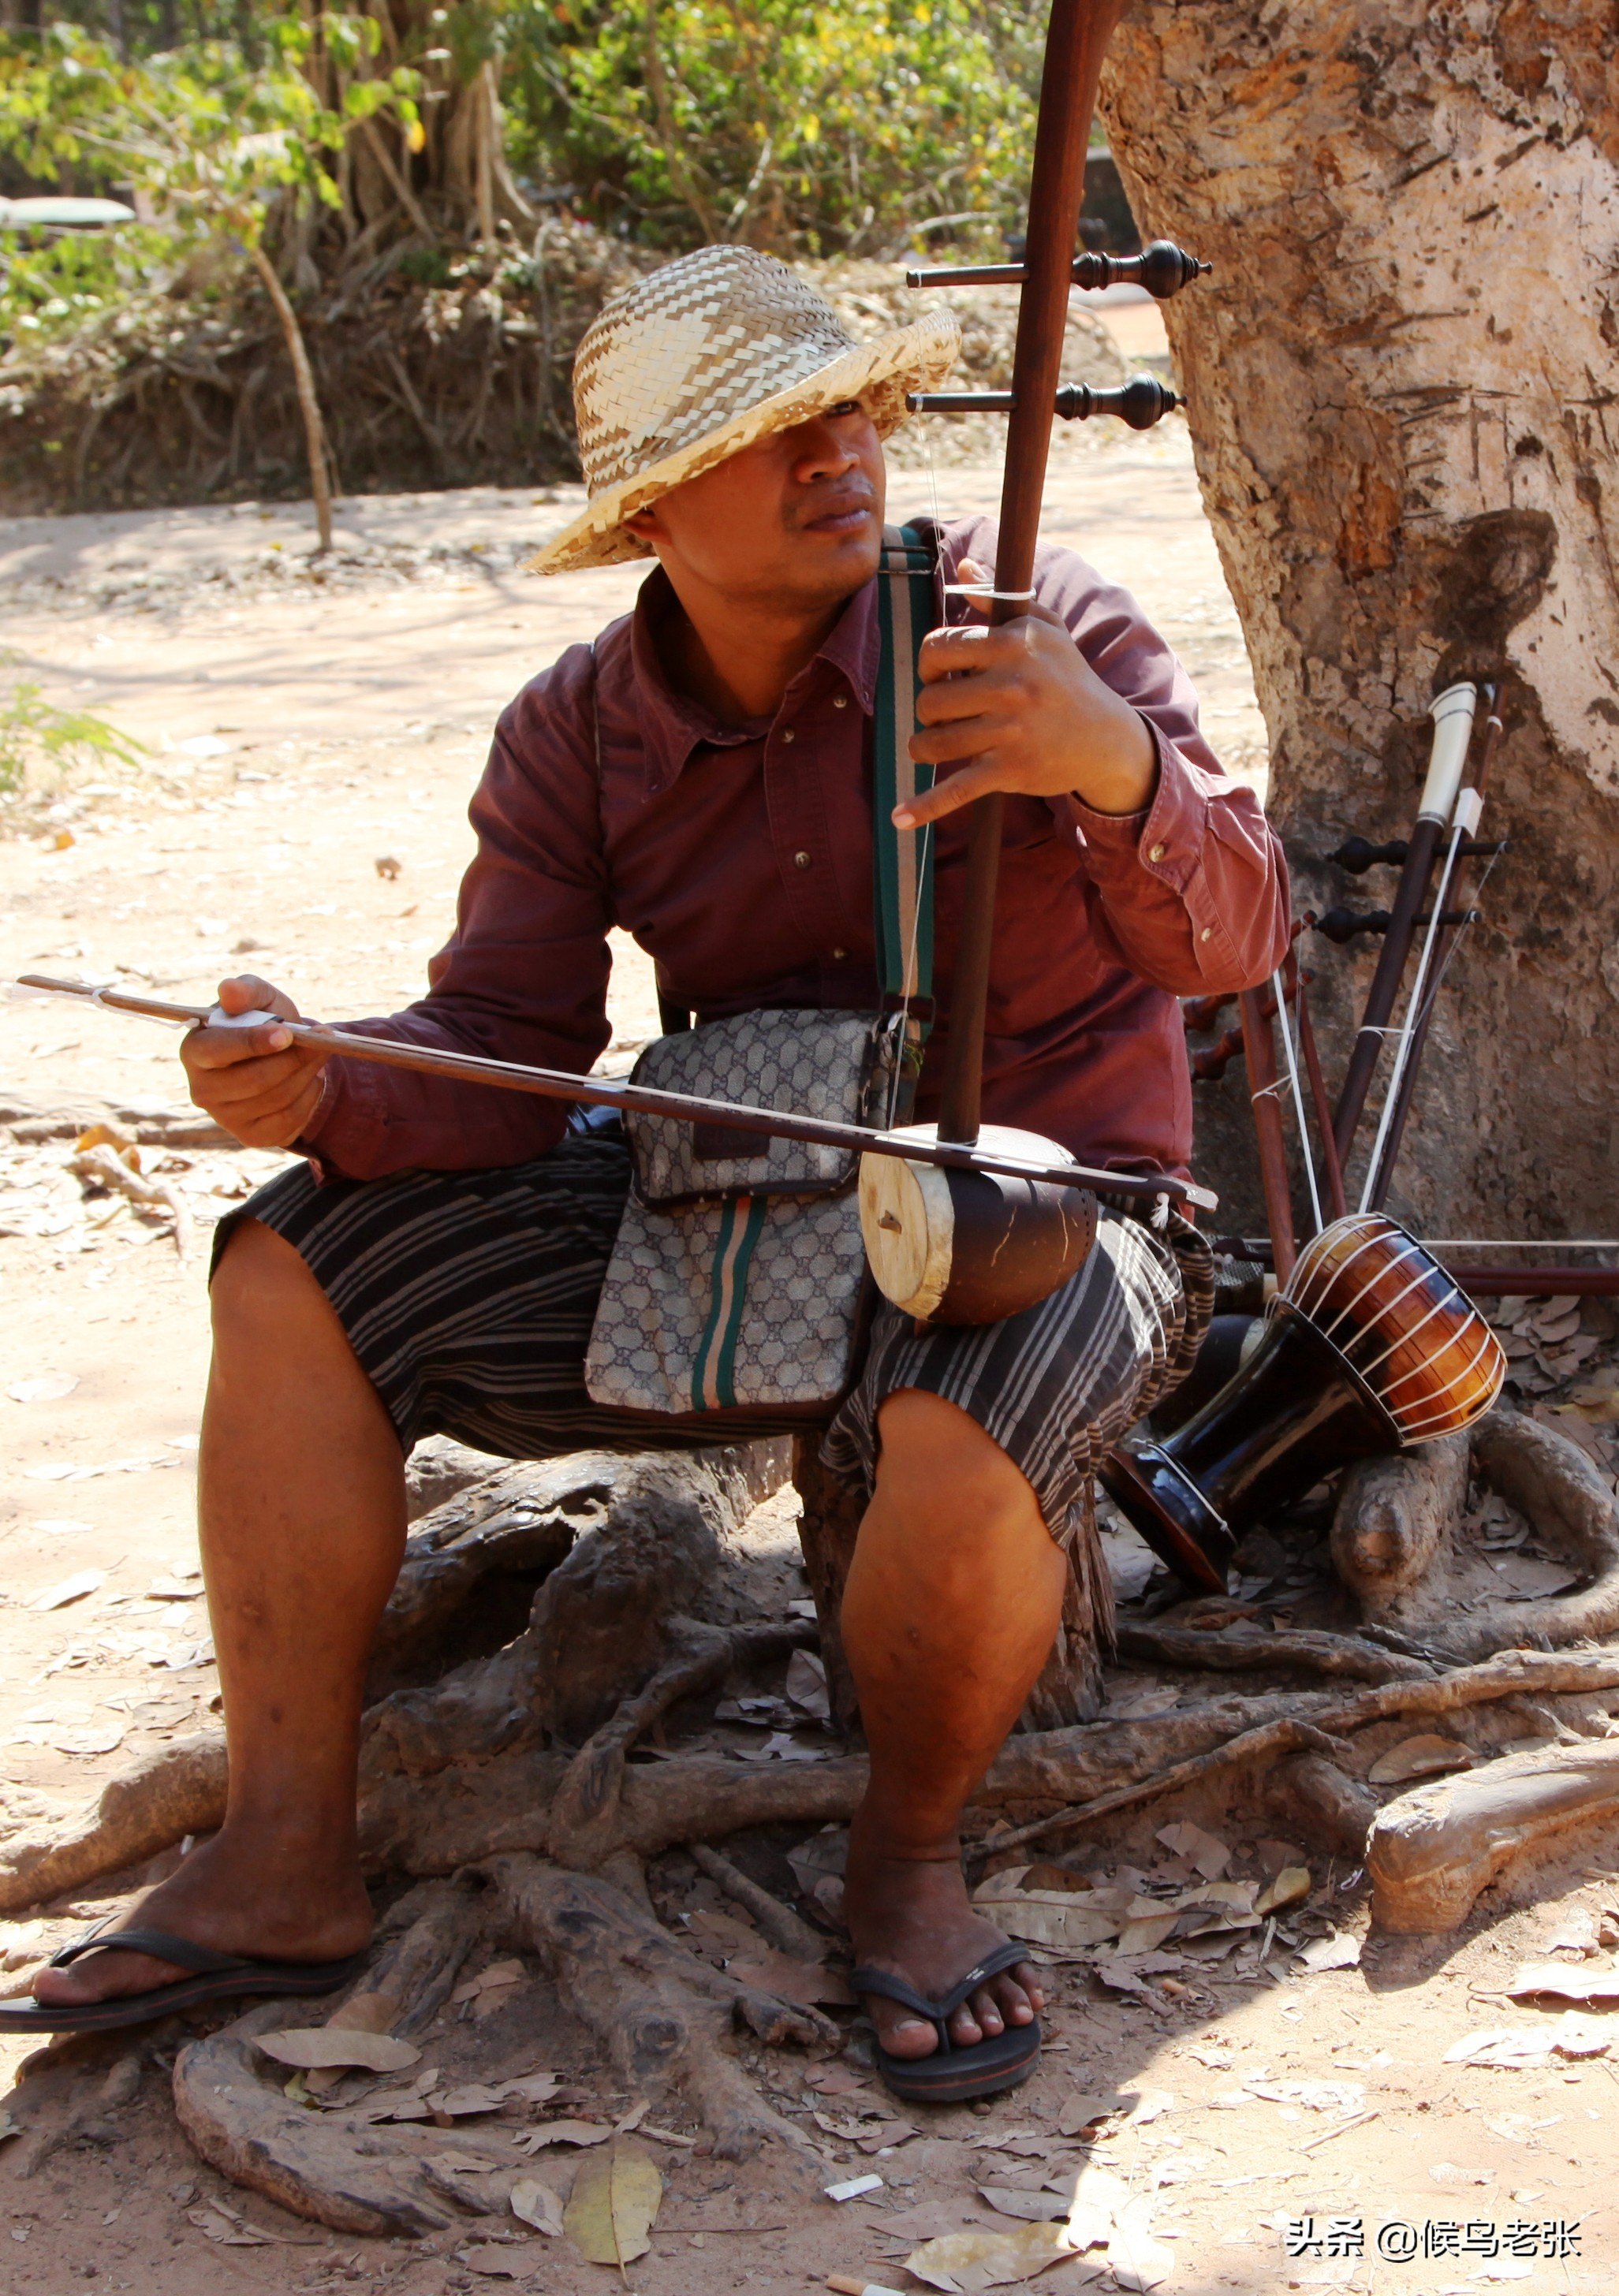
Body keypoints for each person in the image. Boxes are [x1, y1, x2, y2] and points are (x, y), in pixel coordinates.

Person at [6, 248, 1288, 2097]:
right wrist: (318, 1084)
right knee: (288, 1262)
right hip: (731, 1207)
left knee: (966, 1384)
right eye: (766, 433)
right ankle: (286, 1853)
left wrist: (1105, 760)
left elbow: (1235, 944)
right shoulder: (577, 728)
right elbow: (504, 1058)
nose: (838, 451)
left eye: (846, 409)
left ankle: (906, 1862)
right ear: (651, 513)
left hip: (1058, 1204)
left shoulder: (1030, 624)